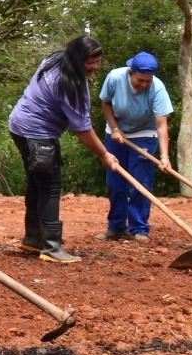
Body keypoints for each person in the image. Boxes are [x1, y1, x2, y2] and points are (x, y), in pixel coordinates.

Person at [6, 34, 118, 264]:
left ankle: (34, 238)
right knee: (49, 186)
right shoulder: (71, 85)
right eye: (90, 62)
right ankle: (51, 247)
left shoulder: (55, 59)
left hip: (19, 125)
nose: (95, 67)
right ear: (77, 59)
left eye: (98, 61)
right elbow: (82, 129)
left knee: (37, 183)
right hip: (37, 133)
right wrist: (104, 155)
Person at [97, 50, 173, 242]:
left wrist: (164, 157)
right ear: (131, 72)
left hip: (144, 133)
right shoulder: (115, 77)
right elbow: (105, 102)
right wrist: (114, 128)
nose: (144, 85)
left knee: (140, 183)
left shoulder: (157, 88)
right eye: (140, 80)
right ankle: (116, 227)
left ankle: (139, 228)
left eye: (148, 81)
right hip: (116, 132)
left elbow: (162, 124)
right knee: (115, 182)